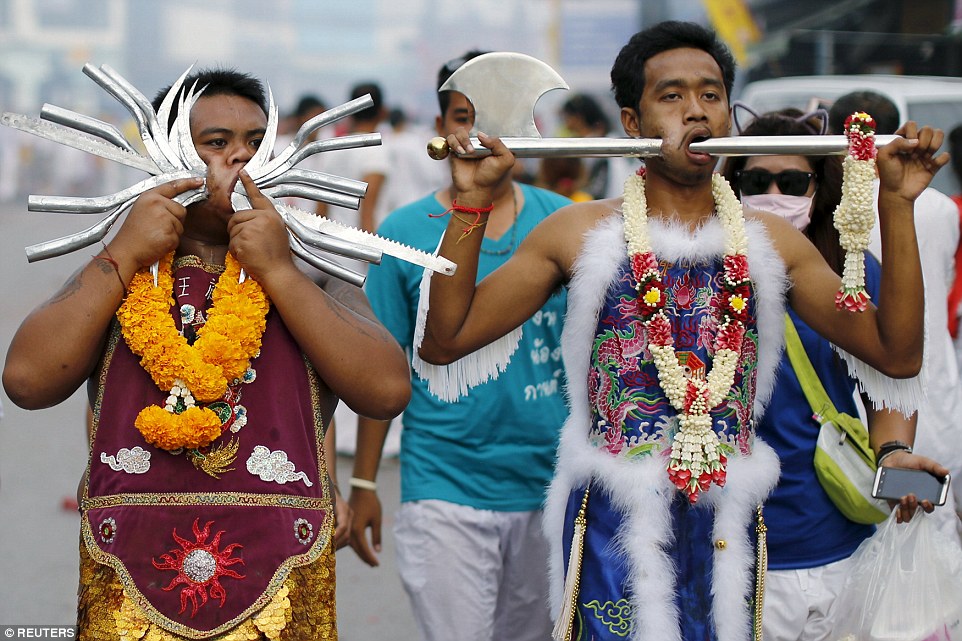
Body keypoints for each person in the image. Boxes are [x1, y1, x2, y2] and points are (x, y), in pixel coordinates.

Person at [416, 21, 945, 641]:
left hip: (731, 524)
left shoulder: (770, 242)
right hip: (616, 523)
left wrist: (898, 206)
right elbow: (446, 339)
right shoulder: (578, 233)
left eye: (712, 94)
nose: (697, 110)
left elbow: (896, 353)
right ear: (632, 123)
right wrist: (472, 202)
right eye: (672, 96)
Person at [2, 68, 411, 640]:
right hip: (130, 577)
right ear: (163, 157)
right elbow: (26, 380)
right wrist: (121, 254)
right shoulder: (120, 270)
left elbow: (387, 390)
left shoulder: (313, 273)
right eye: (216, 143)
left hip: (281, 575)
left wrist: (277, 270)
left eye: (256, 142)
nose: (240, 159)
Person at [346, 50, 571, 641]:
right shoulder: (403, 233)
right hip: (443, 484)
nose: (481, 133)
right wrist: (364, 482)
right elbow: (384, 363)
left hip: (553, 490)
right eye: (465, 116)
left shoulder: (567, 225)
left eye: (500, 116)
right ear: (443, 129)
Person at [721, 106, 948, 641]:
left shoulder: (852, 271)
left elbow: (891, 377)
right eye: (756, 180)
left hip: (844, 546)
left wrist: (894, 454)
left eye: (792, 181)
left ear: (818, 189)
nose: (774, 192)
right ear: (731, 186)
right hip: (735, 555)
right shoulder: (698, 274)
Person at [829, 91, 962, 543]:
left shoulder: (839, 209)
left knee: (880, 524)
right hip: (927, 382)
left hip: (875, 394)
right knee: (932, 523)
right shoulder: (941, 207)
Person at [560, 92, 638, 199]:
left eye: (567, 116)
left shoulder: (605, 146)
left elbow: (599, 190)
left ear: (578, 117)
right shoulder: (591, 142)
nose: (565, 121)